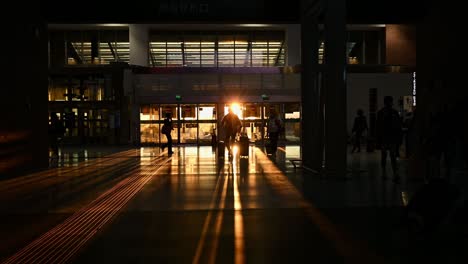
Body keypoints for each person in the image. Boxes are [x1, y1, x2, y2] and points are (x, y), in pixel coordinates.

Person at [376, 96, 403, 183]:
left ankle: (390, 173)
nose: (389, 103)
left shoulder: (385, 113)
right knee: (390, 156)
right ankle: (391, 173)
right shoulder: (392, 112)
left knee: (390, 155)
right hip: (388, 137)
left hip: (389, 137)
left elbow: (379, 126)